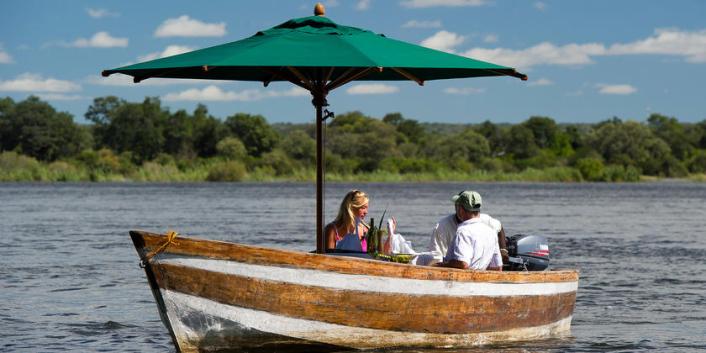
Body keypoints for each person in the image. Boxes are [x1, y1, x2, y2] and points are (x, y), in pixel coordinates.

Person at [428, 190, 508, 265]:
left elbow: (499, 227)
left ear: (462, 209)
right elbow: (436, 257)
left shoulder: (465, 231)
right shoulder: (442, 227)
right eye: (456, 205)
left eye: (459, 206)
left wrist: (503, 251)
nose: (457, 209)